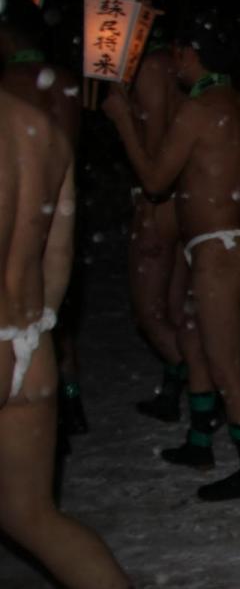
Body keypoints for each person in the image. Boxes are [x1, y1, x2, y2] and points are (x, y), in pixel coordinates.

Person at [104, 22, 240, 501]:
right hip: (230, 243)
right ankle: (200, 441)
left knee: (225, 364)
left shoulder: (198, 108)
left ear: (194, 55)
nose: (173, 60)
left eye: (178, 52)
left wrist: (121, 120)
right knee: (198, 342)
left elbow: (156, 180)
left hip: (218, 251)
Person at [0, 69, 129, 589]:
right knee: (32, 516)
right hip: (31, 346)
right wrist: (29, 332)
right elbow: (58, 256)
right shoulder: (42, 129)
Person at [0, 0, 88, 437]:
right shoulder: (66, 83)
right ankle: (68, 399)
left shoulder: (10, 90)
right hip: (52, 208)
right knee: (55, 316)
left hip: (20, 215)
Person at [126, 39, 192, 422]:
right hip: (185, 200)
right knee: (173, 308)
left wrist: (149, 214)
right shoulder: (174, 66)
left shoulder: (153, 68)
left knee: (150, 313)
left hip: (161, 199)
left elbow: (154, 148)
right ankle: (176, 390)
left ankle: (203, 378)